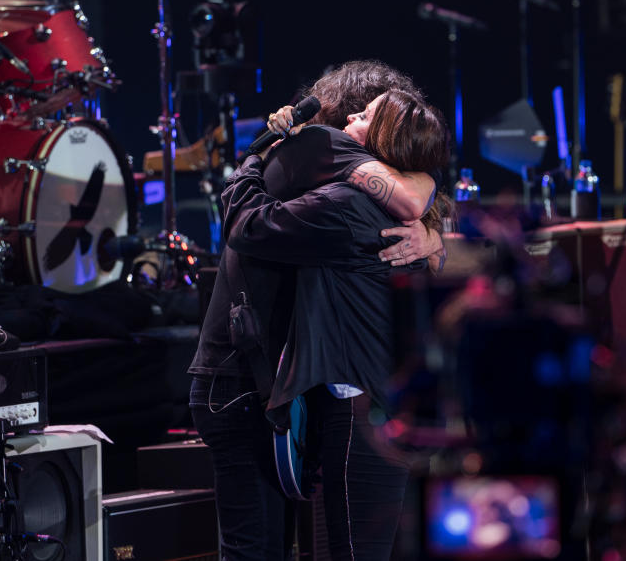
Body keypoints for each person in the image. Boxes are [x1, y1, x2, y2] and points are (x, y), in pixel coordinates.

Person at [188, 61, 445, 560]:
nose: (345, 125)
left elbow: (415, 198)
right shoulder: (325, 168)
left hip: (273, 383)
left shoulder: (336, 183)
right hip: (242, 382)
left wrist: (251, 156)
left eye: (362, 118)